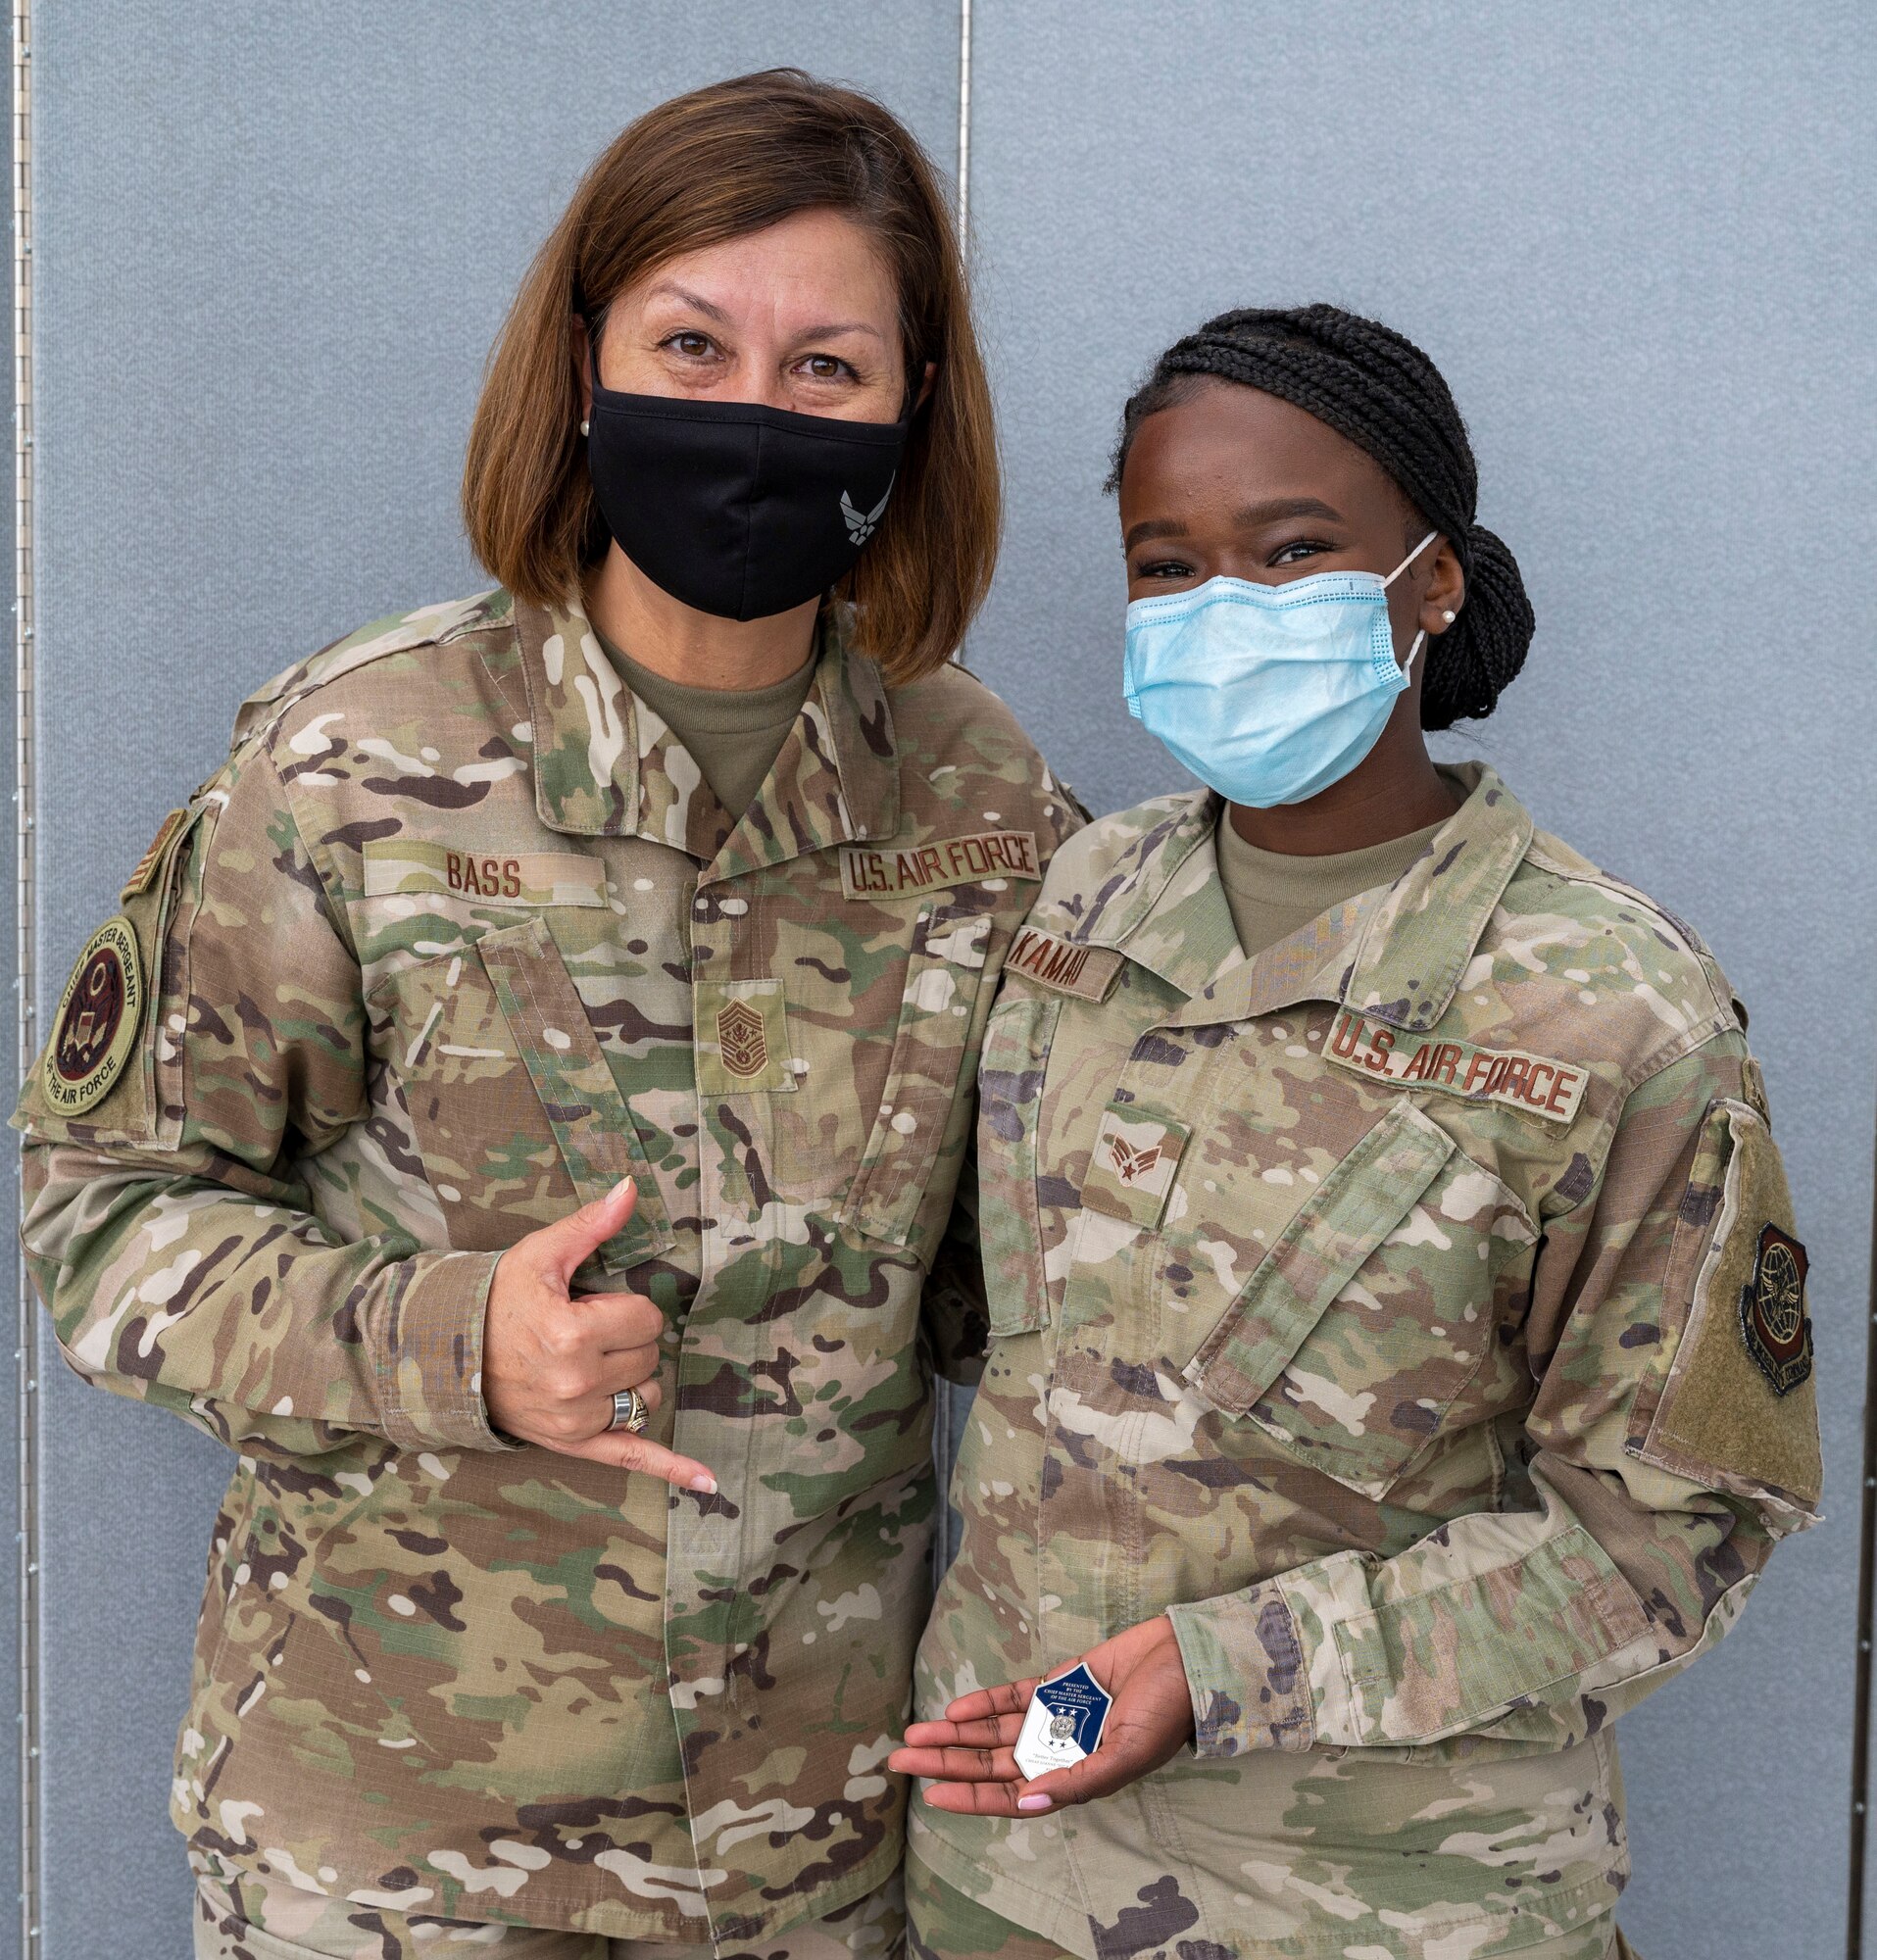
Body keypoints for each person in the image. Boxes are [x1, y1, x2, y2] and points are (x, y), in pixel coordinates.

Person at [16, 70, 1081, 1960]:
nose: (752, 413)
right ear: (584, 364)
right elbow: (98, 1217)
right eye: (693, 341)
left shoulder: (979, 802)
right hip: (398, 1842)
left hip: (816, 1862)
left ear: (916, 410)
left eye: (827, 367)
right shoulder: (357, 757)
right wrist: (451, 1344)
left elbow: (1034, 1289)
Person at [889, 305, 1820, 1960]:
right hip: (1003, 1884)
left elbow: (1668, 1541)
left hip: (1390, 1910)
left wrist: (1222, 1668)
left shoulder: (1613, 1009)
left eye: (1294, 549)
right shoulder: (1080, 905)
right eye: (1166, 565)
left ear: (1432, 582)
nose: (1219, 608)